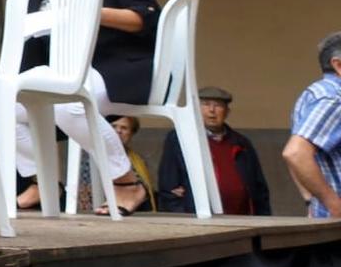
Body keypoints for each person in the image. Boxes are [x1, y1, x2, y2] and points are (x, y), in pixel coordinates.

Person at [5, 0, 159, 216]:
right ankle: (40, 181)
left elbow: (145, 17)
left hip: (120, 67)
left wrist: (91, 12)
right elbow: (30, 55)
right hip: (68, 74)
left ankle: (127, 184)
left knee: (68, 98)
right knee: (4, 101)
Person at [158, 86, 269, 215]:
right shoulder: (181, 138)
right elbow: (169, 188)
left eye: (218, 106)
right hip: (199, 220)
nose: (211, 110)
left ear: (227, 112)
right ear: (196, 110)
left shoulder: (242, 143)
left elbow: (259, 188)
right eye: (205, 104)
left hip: (242, 218)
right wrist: (184, 215)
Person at [284, 34, 341, 218]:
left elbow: (294, 156)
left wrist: (309, 199)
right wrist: (334, 205)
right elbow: (295, 153)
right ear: (338, 65)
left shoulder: (313, 94)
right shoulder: (334, 99)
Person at [109, 115, 157, 212]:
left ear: (131, 134)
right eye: (113, 126)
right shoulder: (90, 158)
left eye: (124, 128)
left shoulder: (138, 161)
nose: (118, 131)